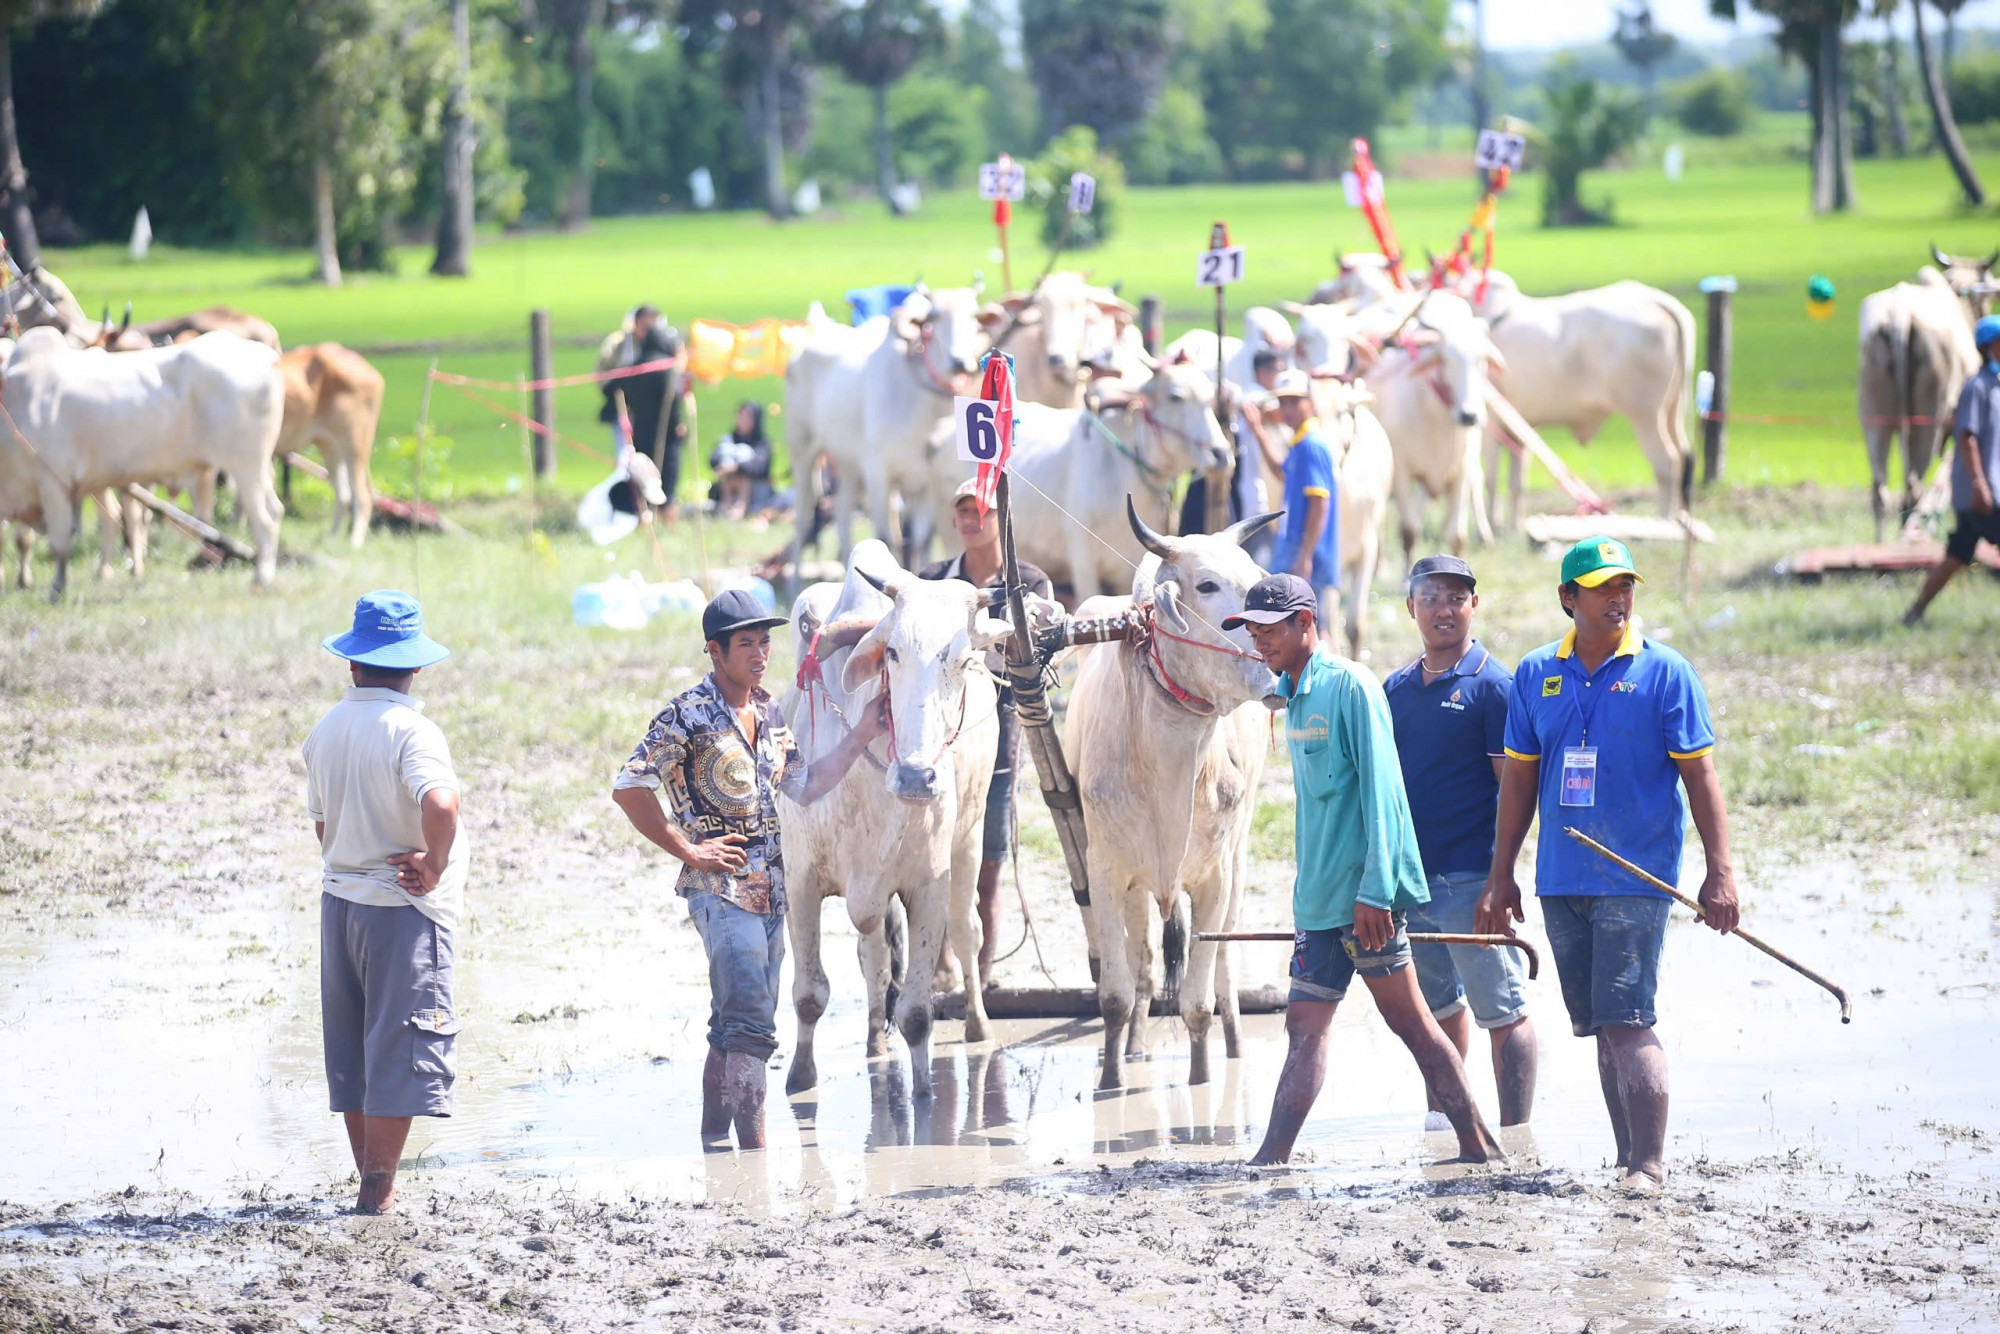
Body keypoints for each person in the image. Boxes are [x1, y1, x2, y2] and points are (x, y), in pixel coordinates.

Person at [1478, 536, 1739, 1194]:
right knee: (1599, 1024)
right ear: (1569, 598)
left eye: (1625, 585)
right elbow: (1517, 785)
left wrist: (1720, 872)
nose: (1619, 597)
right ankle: (1628, 1158)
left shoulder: (1664, 671)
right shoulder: (1537, 673)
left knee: (1629, 1019)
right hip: (1562, 878)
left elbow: (1700, 778)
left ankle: (1648, 1167)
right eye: (1602, 586)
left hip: (1637, 875)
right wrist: (1501, 872)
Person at [1230, 573, 1502, 1168]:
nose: (1259, 642)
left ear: (1307, 623)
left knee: (1409, 1021)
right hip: (1319, 902)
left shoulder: (1351, 687)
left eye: (1269, 630)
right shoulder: (1291, 693)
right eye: (1252, 631)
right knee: (1304, 1026)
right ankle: (1271, 1157)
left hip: (1364, 903)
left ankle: (1478, 1144)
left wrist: (1377, 892)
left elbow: (1385, 792)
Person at [611, 589, 886, 1150]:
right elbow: (628, 787)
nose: (760, 654)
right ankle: (755, 1160)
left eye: (765, 642)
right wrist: (689, 849)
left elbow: (805, 786)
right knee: (752, 1029)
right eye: (746, 644)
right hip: (721, 892)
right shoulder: (686, 714)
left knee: (729, 1025)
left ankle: (715, 1144)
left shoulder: (769, 711)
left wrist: (861, 735)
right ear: (715, 651)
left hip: (772, 892)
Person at [303, 591, 465, 1215]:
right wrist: (435, 863)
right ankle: (381, 1191)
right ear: (416, 667)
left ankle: (370, 1182)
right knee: (397, 1052)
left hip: (339, 904)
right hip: (402, 910)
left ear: (352, 663)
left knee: (354, 1055)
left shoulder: (325, 731)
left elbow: (322, 828)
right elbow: (442, 805)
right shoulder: (411, 729)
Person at [1383, 554, 1538, 1129]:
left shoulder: (1493, 688)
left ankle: (1515, 1132)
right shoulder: (1395, 690)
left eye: (1456, 598)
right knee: (1437, 1006)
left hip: (1472, 879)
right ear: (1411, 608)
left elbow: (1516, 792)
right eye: (1431, 598)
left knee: (1503, 1008)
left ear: (1475, 605)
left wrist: (1500, 880)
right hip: (1413, 883)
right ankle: (1445, 1119)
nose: (1443, 609)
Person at [918, 476, 1054, 988]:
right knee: (930, 860)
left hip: (997, 731)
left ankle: (982, 974)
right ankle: (935, 967)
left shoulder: (1031, 583)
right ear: (954, 521)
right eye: (965, 512)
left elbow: (1037, 646)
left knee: (988, 863)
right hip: (938, 736)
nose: (974, 520)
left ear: (1002, 520)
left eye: (984, 511)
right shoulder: (930, 580)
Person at [1904, 313, 2000, 624]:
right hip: (1981, 493)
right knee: (1959, 554)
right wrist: (1980, 485)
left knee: (1957, 554)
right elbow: (1967, 436)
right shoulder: (1978, 387)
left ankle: (1914, 612)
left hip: (1984, 491)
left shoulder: (1995, 387)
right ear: (1989, 347)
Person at [1178, 348, 1285, 561]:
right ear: (1264, 372)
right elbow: (1267, 407)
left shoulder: (1250, 397)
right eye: (1277, 371)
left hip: (1252, 498)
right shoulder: (1254, 395)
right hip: (1245, 500)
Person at [1265, 370, 1342, 643]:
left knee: (1308, 632)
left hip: (1307, 555)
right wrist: (1257, 429)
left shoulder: (1312, 446)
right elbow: (1282, 471)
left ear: (1310, 402)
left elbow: (1320, 502)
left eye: (1295, 402)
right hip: (1297, 551)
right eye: (1283, 403)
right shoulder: (1299, 445)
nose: (1288, 409)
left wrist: (1305, 555)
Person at [598, 304, 688, 516]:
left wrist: (628, 408)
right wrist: (677, 425)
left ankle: (644, 519)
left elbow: (612, 388)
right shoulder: (666, 371)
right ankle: (668, 520)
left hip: (641, 431)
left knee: (642, 478)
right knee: (668, 482)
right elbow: (673, 398)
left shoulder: (635, 369)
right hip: (666, 434)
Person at [710, 401, 774, 520]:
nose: (742, 420)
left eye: (747, 417)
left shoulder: (761, 443)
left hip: (755, 490)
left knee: (743, 463)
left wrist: (737, 467)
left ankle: (740, 507)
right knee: (728, 461)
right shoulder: (728, 440)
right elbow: (714, 459)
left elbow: (759, 467)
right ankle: (726, 505)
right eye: (741, 415)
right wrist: (727, 467)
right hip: (728, 485)